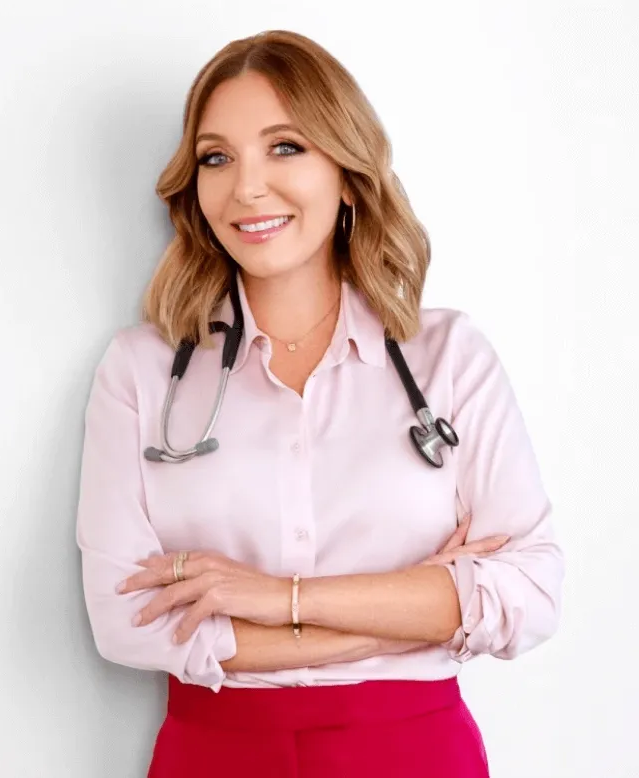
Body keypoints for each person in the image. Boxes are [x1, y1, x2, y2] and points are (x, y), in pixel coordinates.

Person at [75, 29, 564, 778]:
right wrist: (406, 616)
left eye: (285, 147)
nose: (246, 188)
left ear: (348, 173)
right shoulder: (141, 372)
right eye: (216, 158)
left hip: (413, 753)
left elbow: (529, 592)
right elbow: (125, 622)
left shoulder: (449, 358)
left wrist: (279, 599)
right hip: (216, 755)